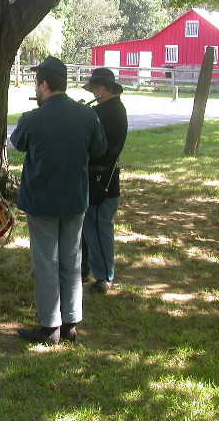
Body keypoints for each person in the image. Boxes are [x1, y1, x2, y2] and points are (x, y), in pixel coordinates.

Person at [10, 56, 107, 344]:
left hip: (42, 201)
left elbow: (17, 143)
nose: (36, 88)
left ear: (44, 84)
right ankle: (70, 323)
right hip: (75, 198)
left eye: (36, 83)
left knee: (46, 262)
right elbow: (100, 149)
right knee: (71, 259)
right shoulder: (87, 116)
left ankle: (50, 326)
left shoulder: (32, 118)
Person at [81, 68, 128, 294]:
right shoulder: (102, 109)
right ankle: (87, 268)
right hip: (94, 177)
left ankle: (104, 276)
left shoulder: (113, 111)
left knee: (99, 227)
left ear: (103, 88)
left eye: (95, 88)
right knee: (89, 226)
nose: (93, 92)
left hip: (103, 178)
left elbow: (102, 149)